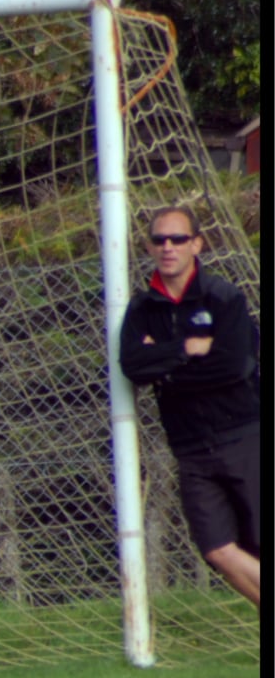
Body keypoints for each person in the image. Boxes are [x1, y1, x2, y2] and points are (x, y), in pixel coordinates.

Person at [117, 206, 260, 609]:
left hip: (244, 436)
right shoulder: (143, 309)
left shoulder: (223, 298)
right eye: (159, 239)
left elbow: (235, 366)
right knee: (217, 550)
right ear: (148, 246)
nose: (168, 247)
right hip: (191, 449)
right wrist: (185, 350)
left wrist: (165, 368)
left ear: (196, 244)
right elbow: (132, 366)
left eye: (178, 239)